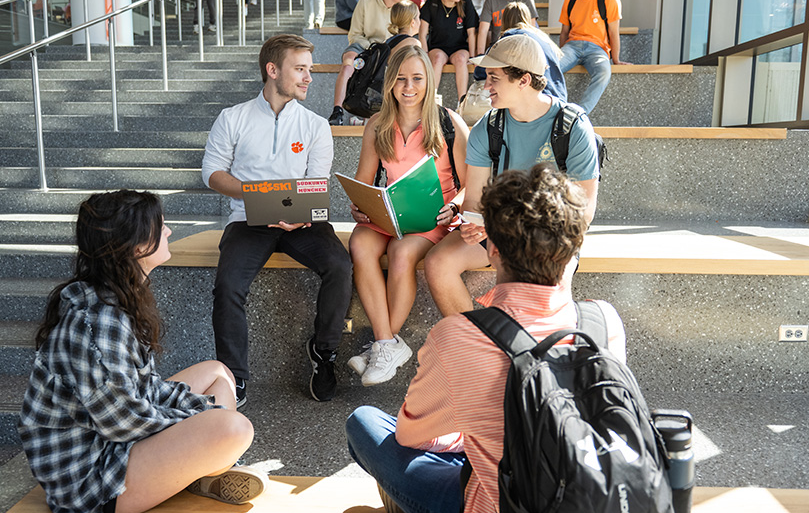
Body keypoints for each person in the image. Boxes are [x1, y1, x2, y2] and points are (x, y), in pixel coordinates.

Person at [347, 164, 627, 513]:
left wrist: (466, 431)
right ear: (572, 250)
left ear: (491, 249)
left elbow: (411, 437)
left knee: (364, 423)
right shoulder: (602, 321)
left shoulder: (459, 337)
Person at [18, 190, 266, 513]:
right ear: (136, 247)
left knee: (217, 371)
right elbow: (122, 420)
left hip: (114, 444)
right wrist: (199, 418)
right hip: (95, 483)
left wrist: (195, 416)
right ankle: (204, 468)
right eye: (159, 225)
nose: (168, 231)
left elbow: (142, 390)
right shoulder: (97, 322)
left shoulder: (113, 297)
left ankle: (200, 469)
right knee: (234, 429)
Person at [202, 34, 353, 406]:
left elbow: (317, 184)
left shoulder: (316, 126)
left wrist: (296, 214)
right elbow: (212, 173)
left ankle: (324, 353)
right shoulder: (232, 118)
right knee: (228, 286)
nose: (309, 78)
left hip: (303, 221)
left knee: (340, 265)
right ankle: (233, 377)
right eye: (300, 69)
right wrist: (258, 198)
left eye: (310, 70)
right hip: (247, 221)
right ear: (273, 70)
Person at [423, 35, 599, 317]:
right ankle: (479, 345)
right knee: (438, 263)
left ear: (524, 80)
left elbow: (583, 212)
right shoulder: (487, 127)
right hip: (498, 230)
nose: (485, 86)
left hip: (551, 234)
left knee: (535, 283)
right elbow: (473, 204)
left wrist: (521, 235)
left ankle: (529, 353)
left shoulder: (573, 126)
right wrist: (475, 226)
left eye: (494, 78)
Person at [346, 45, 469, 386]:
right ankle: (387, 345)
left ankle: (383, 345)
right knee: (360, 244)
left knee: (401, 253)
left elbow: (473, 185)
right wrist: (359, 205)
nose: (409, 87)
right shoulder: (376, 125)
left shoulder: (448, 123)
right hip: (390, 215)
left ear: (428, 80)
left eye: (417, 78)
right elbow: (363, 181)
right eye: (400, 79)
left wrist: (455, 206)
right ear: (389, 83)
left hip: (434, 218)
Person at [329, 0, 412, 126]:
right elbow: (354, 35)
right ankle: (337, 111)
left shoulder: (403, 9)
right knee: (348, 64)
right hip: (363, 49)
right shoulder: (365, 2)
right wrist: (372, 50)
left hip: (388, 52)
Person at [557, 0, 626, 114]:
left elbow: (614, 33)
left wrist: (615, 60)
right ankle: (557, 107)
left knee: (603, 72)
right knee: (551, 68)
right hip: (572, 47)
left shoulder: (609, 0)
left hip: (597, 49)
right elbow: (564, 33)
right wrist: (561, 55)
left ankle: (578, 115)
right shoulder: (570, 1)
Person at [419, 0, 478, 106]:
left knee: (461, 59)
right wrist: (425, 55)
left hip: (459, 48)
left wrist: (473, 57)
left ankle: (461, 103)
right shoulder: (432, 5)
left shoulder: (465, 2)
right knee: (438, 58)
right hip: (438, 47)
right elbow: (422, 34)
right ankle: (430, 101)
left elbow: (471, 33)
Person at [500, 1, 566, 101]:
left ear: (505, 20)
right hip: (558, 97)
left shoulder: (510, 37)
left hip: (539, 100)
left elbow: (486, 70)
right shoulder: (542, 37)